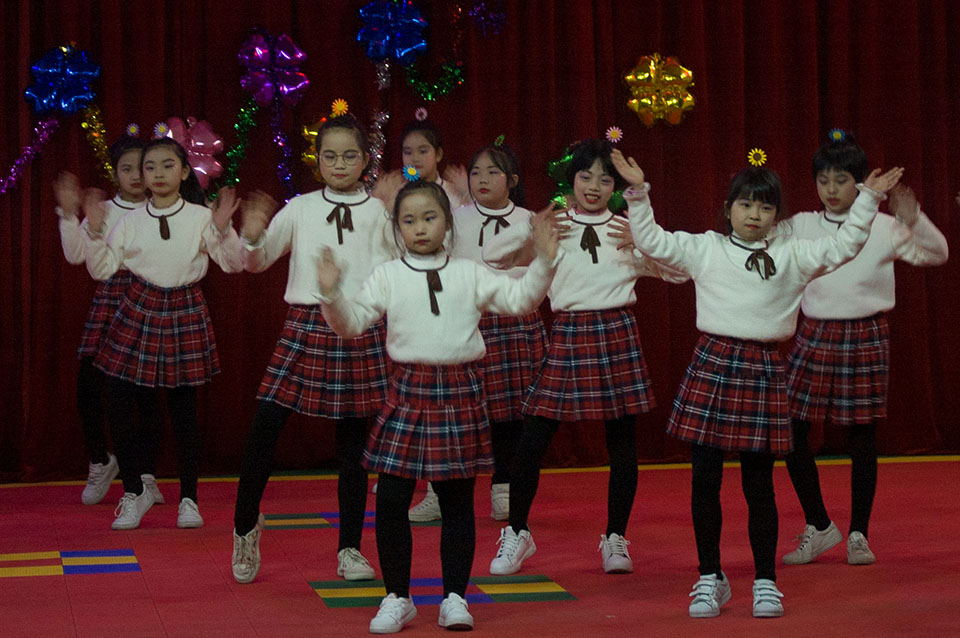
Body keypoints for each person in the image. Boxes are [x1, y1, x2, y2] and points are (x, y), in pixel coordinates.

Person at [618, 147, 903, 618]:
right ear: (728, 207)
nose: (754, 214)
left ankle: (765, 581)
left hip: (765, 367)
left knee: (759, 484)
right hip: (713, 362)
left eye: (765, 207)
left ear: (776, 215)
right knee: (705, 478)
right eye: (746, 204)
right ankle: (710, 576)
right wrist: (638, 191)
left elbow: (845, 245)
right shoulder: (707, 248)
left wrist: (869, 198)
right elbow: (652, 240)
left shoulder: (794, 253)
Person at [318, 179, 560, 633]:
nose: (420, 228)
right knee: (392, 499)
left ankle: (454, 597)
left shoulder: (469, 272)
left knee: (456, 501)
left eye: (429, 218)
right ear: (397, 228)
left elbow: (520, 300)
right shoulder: (388, 274)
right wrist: (331, 295)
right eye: (409, 220)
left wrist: (544, 259)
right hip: (407, 389)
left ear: (447, 223)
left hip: (458, 390)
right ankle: (398, 597)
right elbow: (351, 324)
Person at [482, 139, 685, 577]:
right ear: (571, 180)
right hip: (570, 333)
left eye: (604, 179)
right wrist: (534, 226)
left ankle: (615, 537)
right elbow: (493, 257)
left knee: (622, 442)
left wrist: (644, 244)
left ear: (615, 186)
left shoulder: (625, 228)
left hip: (616, 332)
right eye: (585, 176)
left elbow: (680, 272)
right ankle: (518, 532)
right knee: (533, 438)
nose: (593, 186)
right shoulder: (556, 225)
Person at [231, 115, 395, 585]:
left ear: (366, 160)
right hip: (306, 324)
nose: (339, 164)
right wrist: (253, 235)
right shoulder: (300, 207)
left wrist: (393, 217)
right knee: (264, 428)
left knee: (355, 447)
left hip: (358, 324)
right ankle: (244, 527)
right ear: (317, 160)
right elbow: (257, 260)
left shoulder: (379, 210)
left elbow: (401, 265)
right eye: (330, 156)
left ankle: (349, 548)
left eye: (349, 155)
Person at [780, 133, 948, 566]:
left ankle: (858, 533)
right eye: (823, 180)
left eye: (841, 180)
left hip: (865, 333)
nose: (831, 190)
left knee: (862, 437)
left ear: (860, 183)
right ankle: (819, 525)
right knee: (791, 432)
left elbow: (938, 253)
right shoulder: (801, 225)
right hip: (815, 333)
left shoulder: (885, 226)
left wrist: (914, 217)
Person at [83, 136, 242, 530]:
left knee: (183, 408)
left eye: (167, 165)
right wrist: (96, 232)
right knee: (118, 400)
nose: (157, 174)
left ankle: (189, 499)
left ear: (184, 172)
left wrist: (223, 229)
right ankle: (133, 492)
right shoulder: (129, 221)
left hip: (184, 306)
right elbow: (102, 269)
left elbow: (232, 263)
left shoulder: (200, 216)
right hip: (139, 305)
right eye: (149, 167)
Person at [54, 134, 163, 506]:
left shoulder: (162, 209)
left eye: (142, 168)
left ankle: (146, 474)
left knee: (147, 392)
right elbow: (75, 255)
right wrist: (70, 214)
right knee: (89, 384)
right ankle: (101, 460)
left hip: (150, 299)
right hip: (111, 300)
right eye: (126, 169)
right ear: (115, 173)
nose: (135, 176)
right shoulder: (103, 209)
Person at [450, 142, 547, 521]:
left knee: (511, 412)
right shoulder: (455, 218)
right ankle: (440, 491)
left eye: (493, 172)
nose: (483, 179)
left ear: (512, 180)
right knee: (460, 411)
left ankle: (503, 485)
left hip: (514, 320)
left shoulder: (529, 219)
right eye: (476, 172)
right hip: (467, 319)